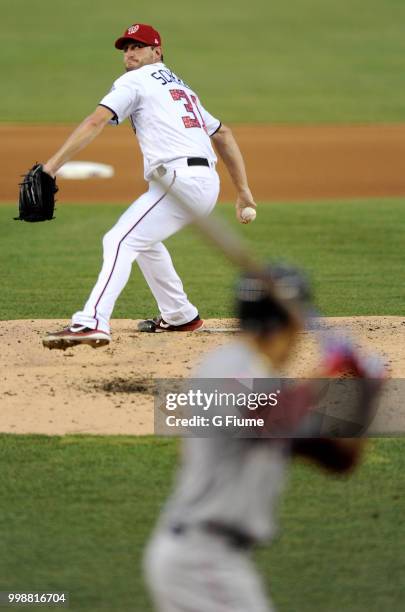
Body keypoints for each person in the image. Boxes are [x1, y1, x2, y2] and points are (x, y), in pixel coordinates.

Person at [143, 264, 382, 612]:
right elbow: (268, 411)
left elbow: (340, 460)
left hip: (212, 561)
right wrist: (331, 370)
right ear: (292, 323)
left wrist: (365, 395)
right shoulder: (224, 366)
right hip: (201, 560)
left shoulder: (265, 382)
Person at [42, 23, 256, 350]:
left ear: (157, 52)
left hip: (179, 181)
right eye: (126, 48)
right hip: (199, 183)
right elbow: (223, 134)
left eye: (138, 46)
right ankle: (180, 314)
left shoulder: (135, 81)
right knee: (143, 241)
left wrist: (50, 167)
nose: (130, 52)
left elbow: (95, 121)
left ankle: (91, 322)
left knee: (118, 240)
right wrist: (242, 191)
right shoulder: (181, 87)